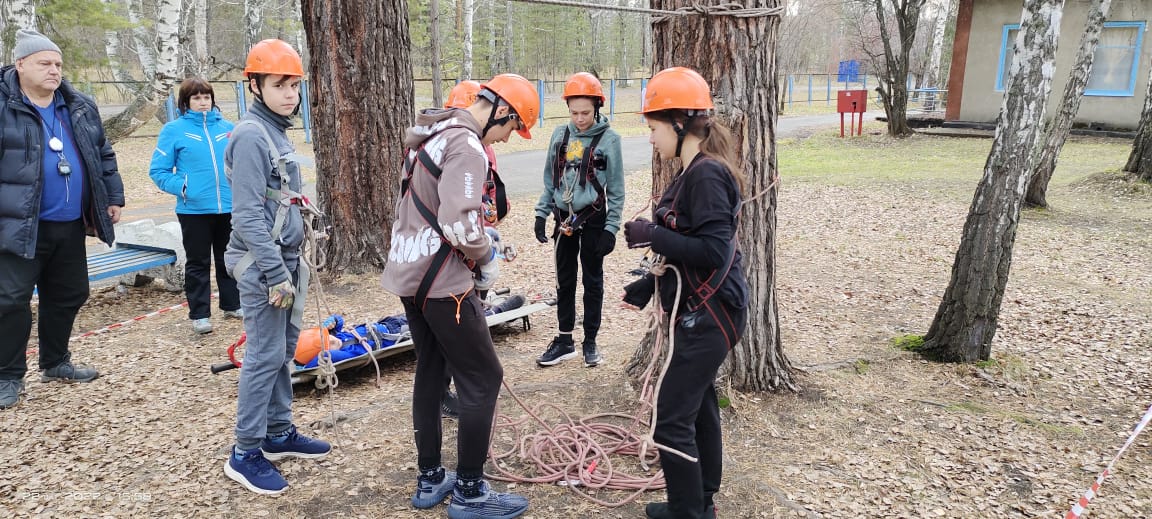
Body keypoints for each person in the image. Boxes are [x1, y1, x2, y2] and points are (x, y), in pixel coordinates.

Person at [381, 73, 538, 519]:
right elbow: (458, 220)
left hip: (410, 274)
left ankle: (430, 477)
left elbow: (424, 206)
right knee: (483, 378)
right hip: (443, 283)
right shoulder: (467, 144)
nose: (508, 138)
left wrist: (475, 235)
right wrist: (485, 252)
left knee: (432, 369)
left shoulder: (431, 136)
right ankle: (470, 491)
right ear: (502, 111)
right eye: (512, 128)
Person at [621, 67, 750, 519]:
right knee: (698, 407)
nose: (651, 139)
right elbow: (691, 247)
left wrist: (649, 233)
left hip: (710, 315)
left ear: (679, 123)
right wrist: (648, 283)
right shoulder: (692, 170)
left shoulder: (706, 175)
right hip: (703, 310)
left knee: (673, 419)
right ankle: (700, 503)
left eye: (654, 129)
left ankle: (689, 512)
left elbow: (714, 250)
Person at [221, 39, 330, 495]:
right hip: (264, 266)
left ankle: (278, 433)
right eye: (279, 85)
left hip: (283, 260)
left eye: (294, 85)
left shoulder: (275, 131)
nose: (289, 94)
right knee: (264, 356)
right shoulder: (250, 135)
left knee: (283, 351)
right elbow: (246, 215)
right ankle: (245, 451)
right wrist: (275, 273)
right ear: (256, 85)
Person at [0, 29, 125, 409]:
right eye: (44, 63)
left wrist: (113, 196)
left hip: (69, 224)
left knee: (69, 294)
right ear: (20, 64)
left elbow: (103, 154)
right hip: (19, 225)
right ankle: (8, 376)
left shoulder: (79, 105)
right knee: (9, 300)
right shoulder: (5, 106)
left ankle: (55, 362)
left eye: (58, 64)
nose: (54, 71)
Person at [533, 72, 624, 368]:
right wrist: (541, 213)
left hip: (594, 219)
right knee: (565, 281)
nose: (580, 118)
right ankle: (563, 340)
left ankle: (591, 341)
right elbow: (549, 180)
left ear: (597, 107)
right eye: (574, 112)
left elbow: (618, 190)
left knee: (592, 280)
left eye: (585, 112)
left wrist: (611, 229)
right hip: (563, 220)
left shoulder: (609, 140)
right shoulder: (561, 135)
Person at [149, 77, 242, 335]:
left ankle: (232, 304)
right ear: (186, 102)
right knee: (198, 263)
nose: (203, 103)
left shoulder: (228, 128)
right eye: (196, 98)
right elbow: (158, 170)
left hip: (229, 207)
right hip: (194, 211)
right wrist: (184, 187)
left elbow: (240, 163)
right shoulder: (174, 130)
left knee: (229, 259)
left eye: (206, 97)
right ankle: (200, 314)